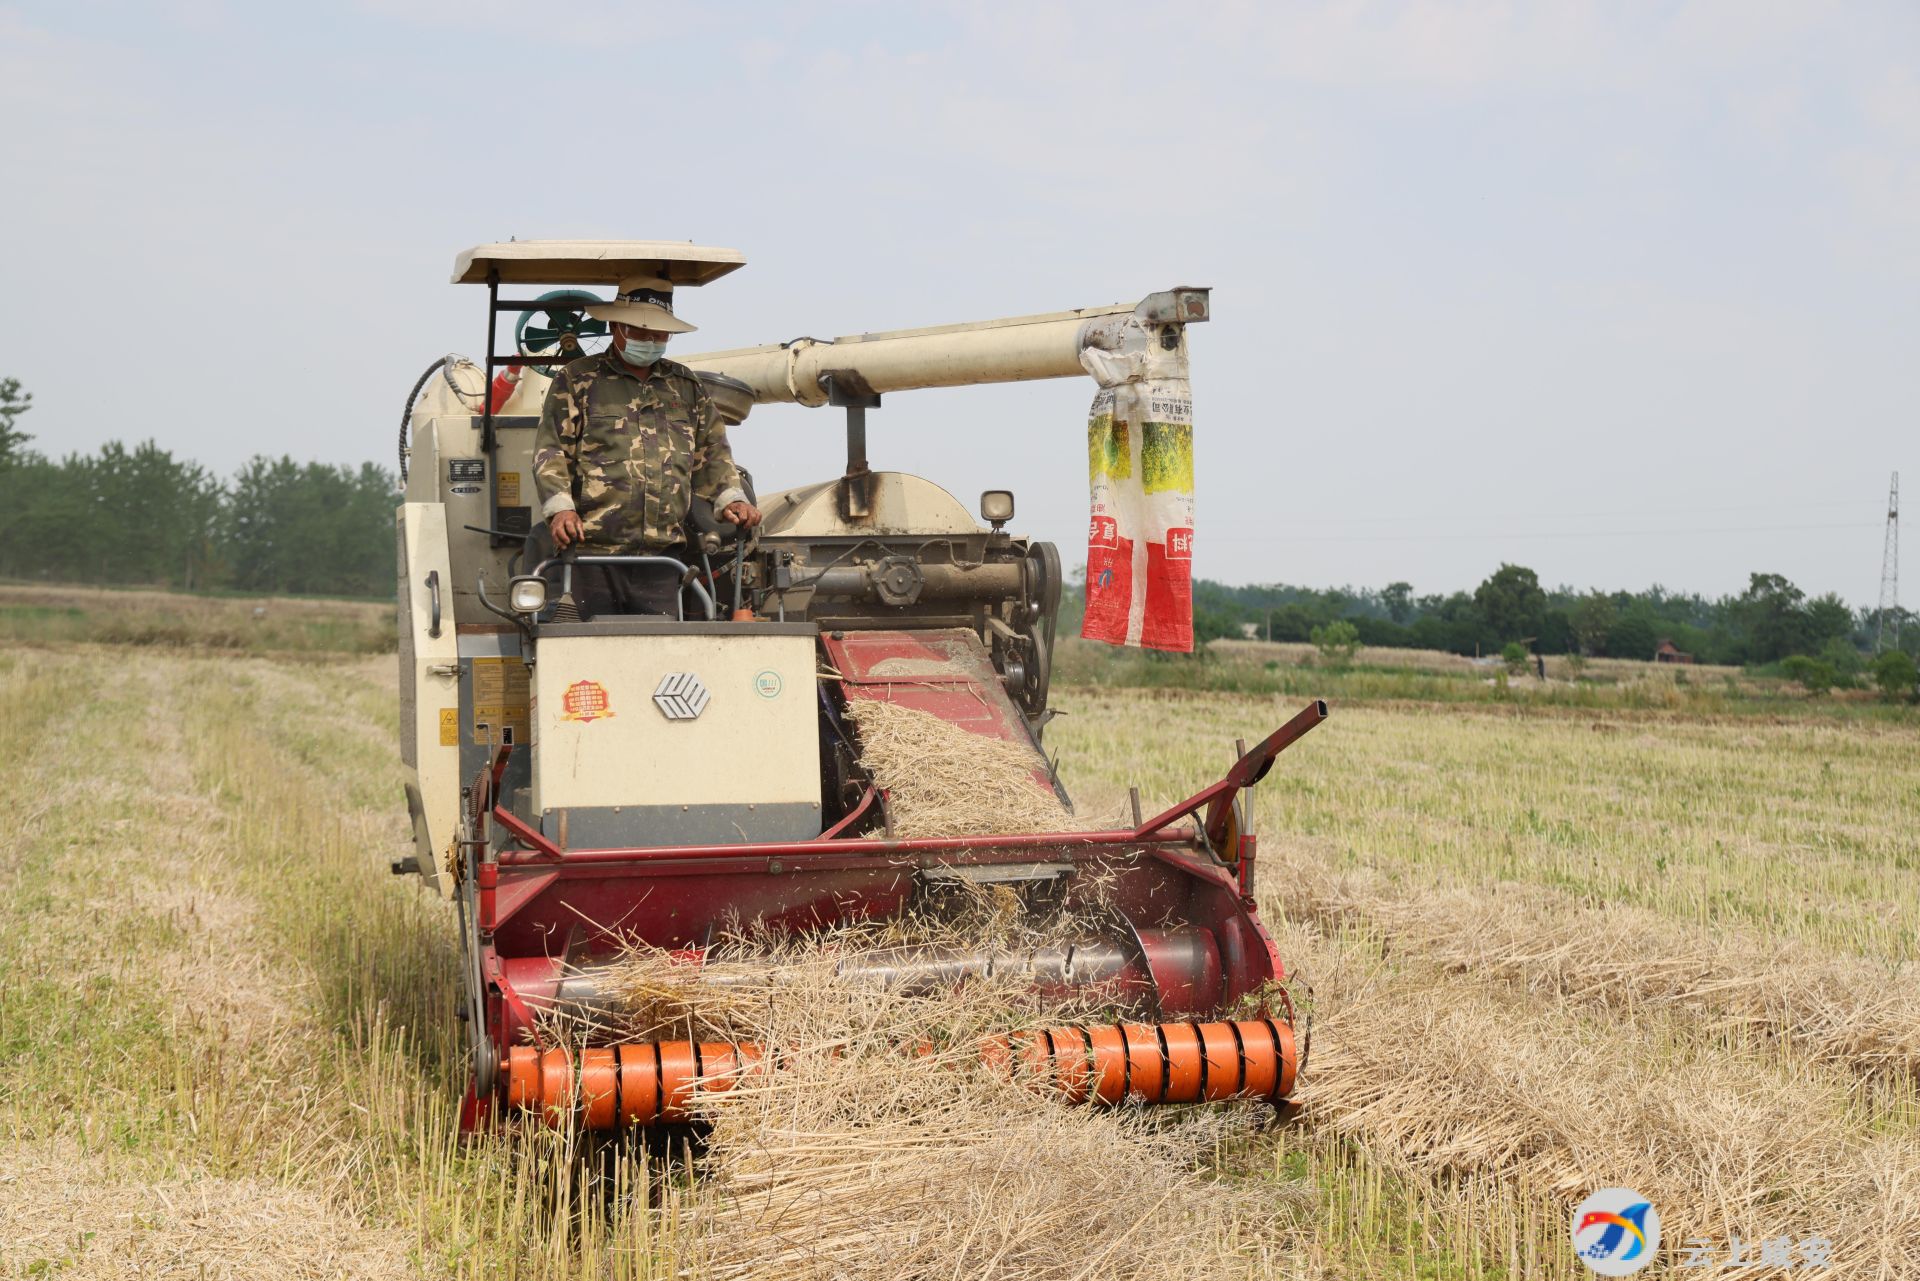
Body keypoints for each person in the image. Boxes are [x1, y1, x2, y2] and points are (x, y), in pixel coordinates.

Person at [530, 275, 762, 617]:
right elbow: (551, 452)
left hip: (662, 560)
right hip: (590, 557)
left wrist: (732, 499)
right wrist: (560, 509)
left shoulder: (685, 386)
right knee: (587, 663)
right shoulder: (578, 379)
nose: (650, 340)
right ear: (615, 327)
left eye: (659, 334)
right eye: (640, 332)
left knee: (660, 659)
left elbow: (712, 452)